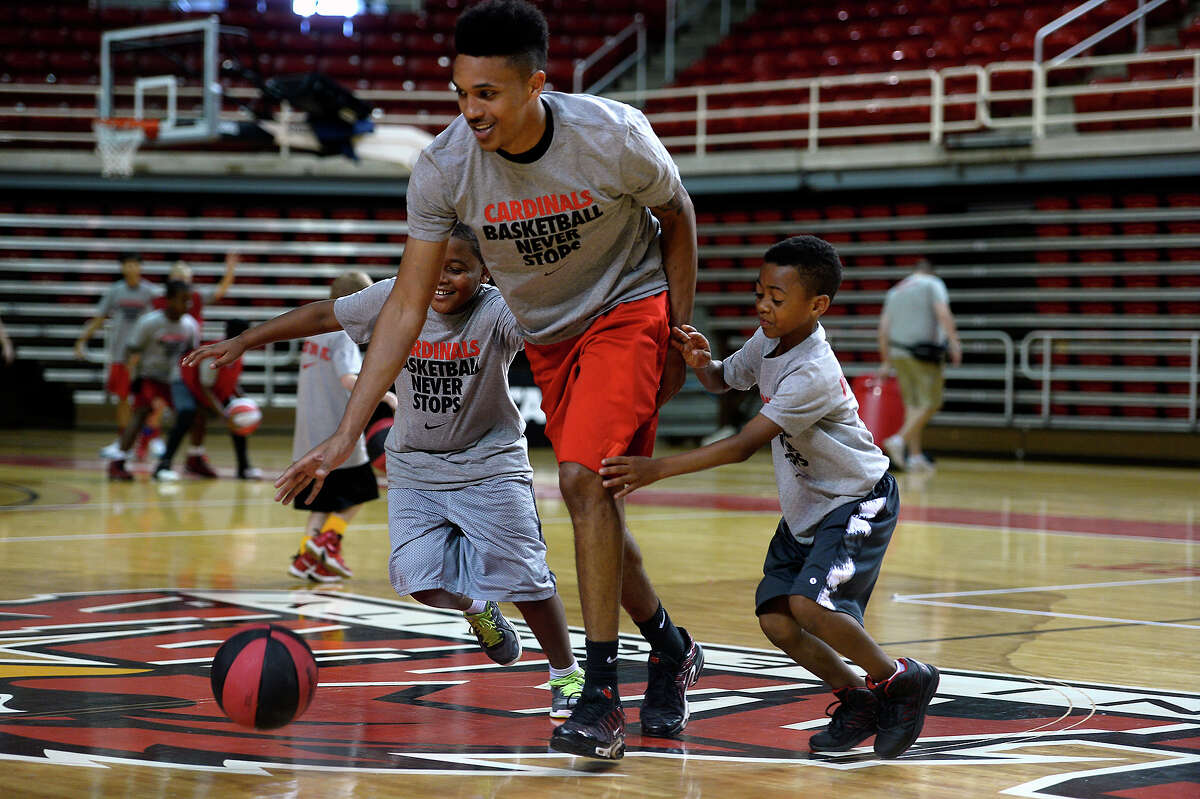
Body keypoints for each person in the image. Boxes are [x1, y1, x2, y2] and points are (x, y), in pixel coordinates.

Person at [271, 0, 701, 760]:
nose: (470, 111)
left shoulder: (614, 135)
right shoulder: (443, 167)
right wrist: (345, 431)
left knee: (576, 483)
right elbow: (406, 303)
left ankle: (598, 696)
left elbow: (680, 216)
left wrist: (671, 339)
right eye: (460, 93)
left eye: (488, 95)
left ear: (537, 85)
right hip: (551, 337)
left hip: (629, 310)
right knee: (596, 495)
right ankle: (671, 646)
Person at [184, 224, 587, 718]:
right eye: (432, 267)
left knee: (526, 579)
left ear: (485, 272)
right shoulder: (392, 299)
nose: (441, 280)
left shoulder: (497, 311)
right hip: (416, 465)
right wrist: (246, 340)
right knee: (417, 579)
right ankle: (478, 608)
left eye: (457, 269)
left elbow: (563, 330)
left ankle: (567, 675)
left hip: (489, 464)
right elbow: (318, 315)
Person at [599, 236, 941, 760]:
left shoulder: (813, 371)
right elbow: (723, 381)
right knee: (778, 620)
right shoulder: (767, 341)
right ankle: (857, 698)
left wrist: (655, 469)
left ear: (817, 305)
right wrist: (701, 364)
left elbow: (740, 448)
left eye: (777, 298)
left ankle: (901, 679)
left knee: (810, 604)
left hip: (855, 500)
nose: (763, 305)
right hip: (808, 505)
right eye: (760, 292)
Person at [149, 252, 241, 476]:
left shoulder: (192, 313)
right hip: (163, 365)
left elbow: (220, 292)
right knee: (156, 409)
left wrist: (230, 270)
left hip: (186, 364)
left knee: (192, 412)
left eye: (185, 276)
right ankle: (153, 451)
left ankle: (193, 456)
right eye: (178, 276)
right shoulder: (157, 311)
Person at [106, 281, 199, 481]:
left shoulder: (190, 325)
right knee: (140, 413)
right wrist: (134, 376)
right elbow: (132, 349)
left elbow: (191, 353)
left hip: (173, 378)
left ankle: (176, 461)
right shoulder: (149, 322)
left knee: (188, 413)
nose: (187, 305)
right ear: (169, 300)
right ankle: (118, 462)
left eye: (188, 301)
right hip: (148, 375)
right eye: (183, 300)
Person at [875, 257, 962, 472]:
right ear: (931, 272)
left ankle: (914, 456)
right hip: (923, 355)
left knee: (913, 405)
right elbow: (943, 313)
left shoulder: (896, 291)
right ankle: (898, 440)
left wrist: (886, 360)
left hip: (898, 353)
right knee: (930, 403)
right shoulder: (933, 284)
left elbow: (883, 327)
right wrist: (955, 342)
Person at [74, 253, 163, 460]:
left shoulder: (151, 292)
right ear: (122, 268)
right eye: (127, 265)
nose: (131, 269)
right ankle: (124, 442)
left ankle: (152, 439)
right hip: (120, 355)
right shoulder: (115, 291)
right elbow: (99, 318)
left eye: (134, 265)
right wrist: (82, 340)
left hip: (145, 358)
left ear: (140, 267)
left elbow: (160, 323)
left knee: (150, 401)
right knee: (122, 399)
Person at [156, 318, 262, 481]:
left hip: (206, 387)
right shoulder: (216, 353)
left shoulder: (237, 352)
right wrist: (223, 413)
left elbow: (230, 383)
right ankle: (163, 465)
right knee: (187, 413)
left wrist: (244, 401)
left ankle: (242, 468)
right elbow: (204, 387)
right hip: (183, 380)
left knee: (239, 417)